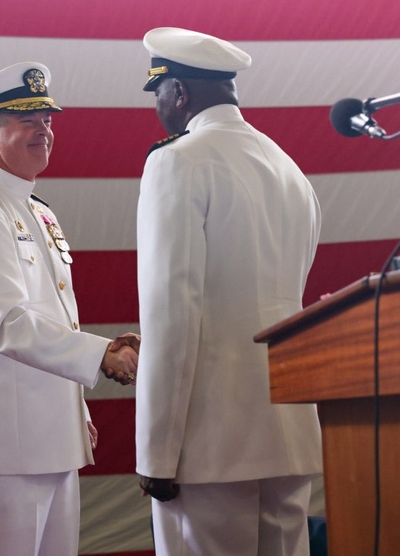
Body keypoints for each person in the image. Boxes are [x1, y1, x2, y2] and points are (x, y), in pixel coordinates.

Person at [133, 28, 323, 556]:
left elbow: (173, 312)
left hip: (210, 441)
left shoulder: (177, 160)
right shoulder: (288, 168)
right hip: (286, 428)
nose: (159, 109)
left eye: (158, 95)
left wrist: (158, 453)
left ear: (180, 93)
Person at [0, 62, 140, 556]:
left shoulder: (39, 212)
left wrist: (74, 404)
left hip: (50, 435)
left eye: (47, 120)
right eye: (28, 120)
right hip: (6, 442)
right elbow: (8, 325)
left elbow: (52, 321)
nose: (44, 131)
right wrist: (101, 354)